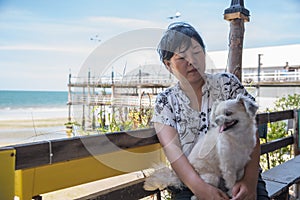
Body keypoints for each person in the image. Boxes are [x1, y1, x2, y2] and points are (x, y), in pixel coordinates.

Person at [151, 22, 269, 200]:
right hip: (193, 183)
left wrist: (250, 182)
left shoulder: (228, 84)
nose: (191, 61)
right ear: (168, 65)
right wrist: (201, 189)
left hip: (241, 176)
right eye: (181, 57)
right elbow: (173, 153)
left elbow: (250, 133)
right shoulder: (165, 102)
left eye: (197, 52)